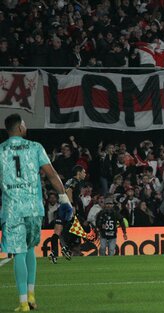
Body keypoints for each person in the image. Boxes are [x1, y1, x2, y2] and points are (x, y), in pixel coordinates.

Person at [0, 114, 73, 311]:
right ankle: (32, 295)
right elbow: (51, 174)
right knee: (30, 249)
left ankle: (23, 302)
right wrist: (64, 198)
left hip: (12, 209)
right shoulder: (35, 147)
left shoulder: (1, 150)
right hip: (33, 207)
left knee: (19, 253)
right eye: (24, 124)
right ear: (20, 127)